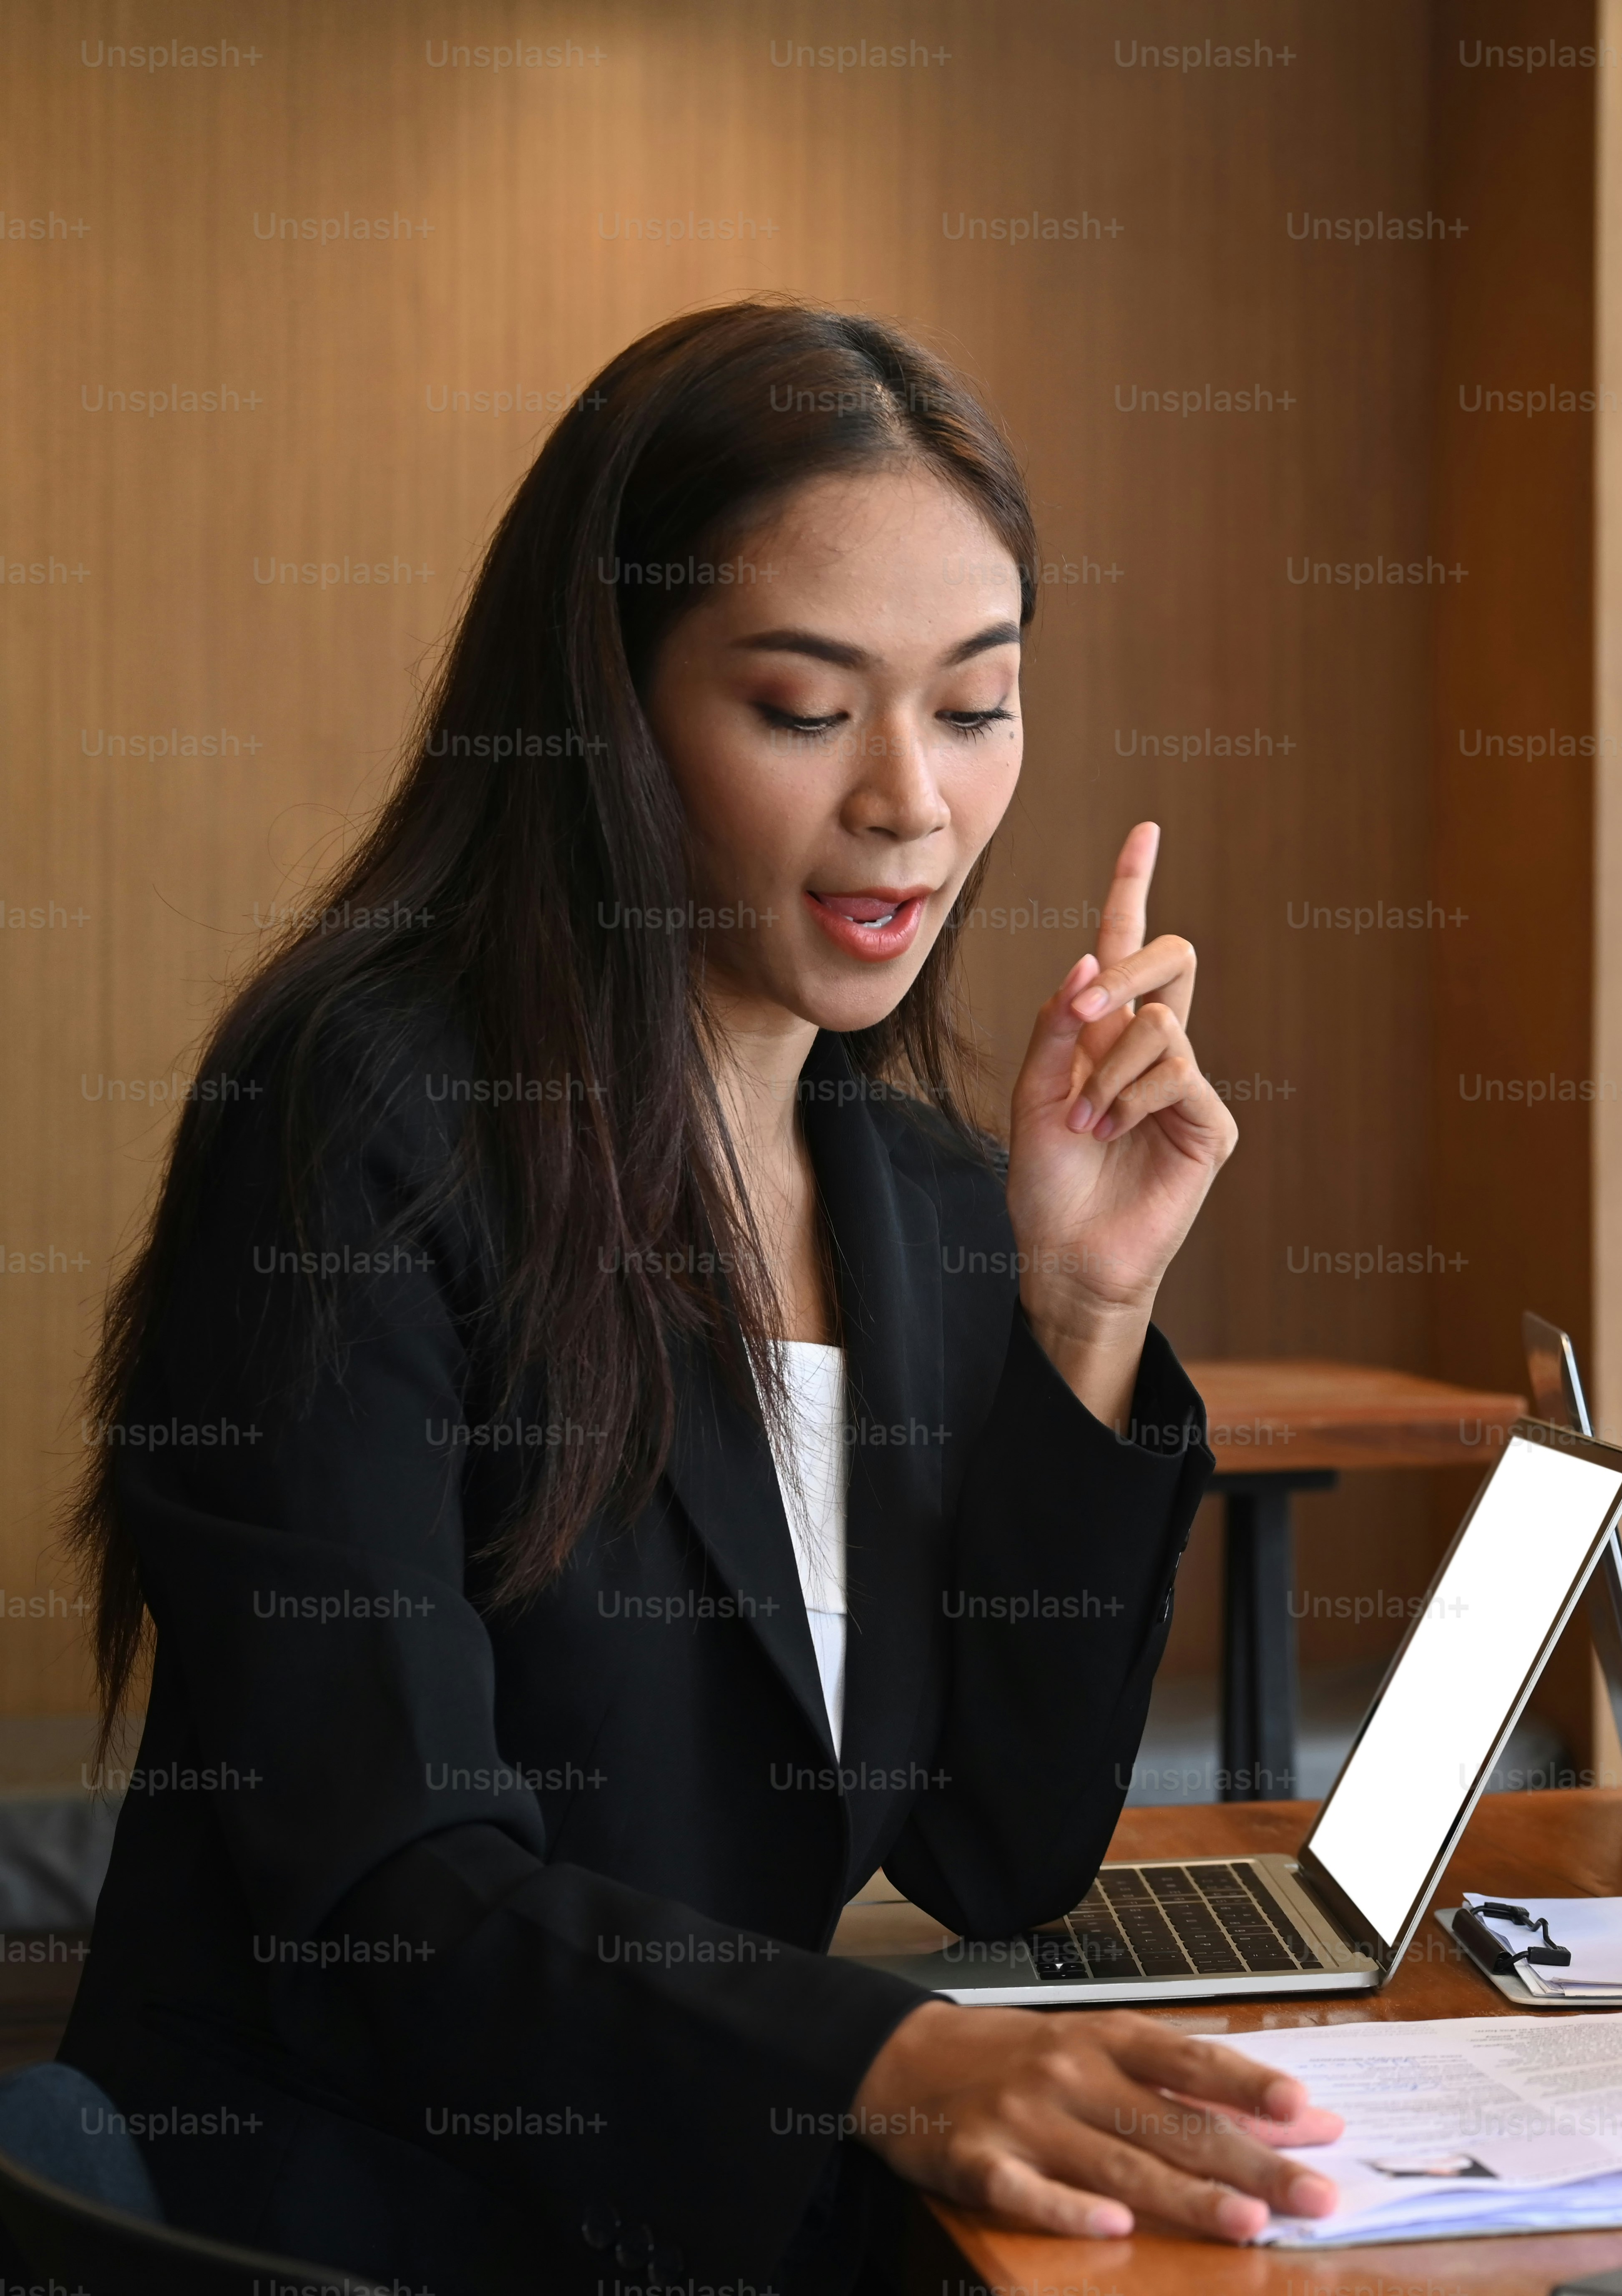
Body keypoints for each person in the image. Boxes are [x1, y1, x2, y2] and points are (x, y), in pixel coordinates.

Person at [63, 303, 1345, 2286]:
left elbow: (1001, 1852)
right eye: (806, 707)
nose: (910, 800)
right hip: (364, 2222)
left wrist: (1085, 1308)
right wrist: (894, 2061)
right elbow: (384, 1881)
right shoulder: (365, 1114)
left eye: (977, 704)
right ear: (614, 710)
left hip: (703, 2197)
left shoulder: (921, 1190)